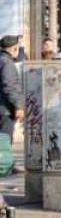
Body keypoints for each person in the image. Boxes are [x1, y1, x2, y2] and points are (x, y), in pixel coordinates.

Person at [0, 35, 21, 177]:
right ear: (14, 48)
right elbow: (10, 87)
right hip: (4, 108)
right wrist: (18, 106)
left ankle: (9, 164)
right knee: (5, 139)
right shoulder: (7, 63)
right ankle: (5, 167)